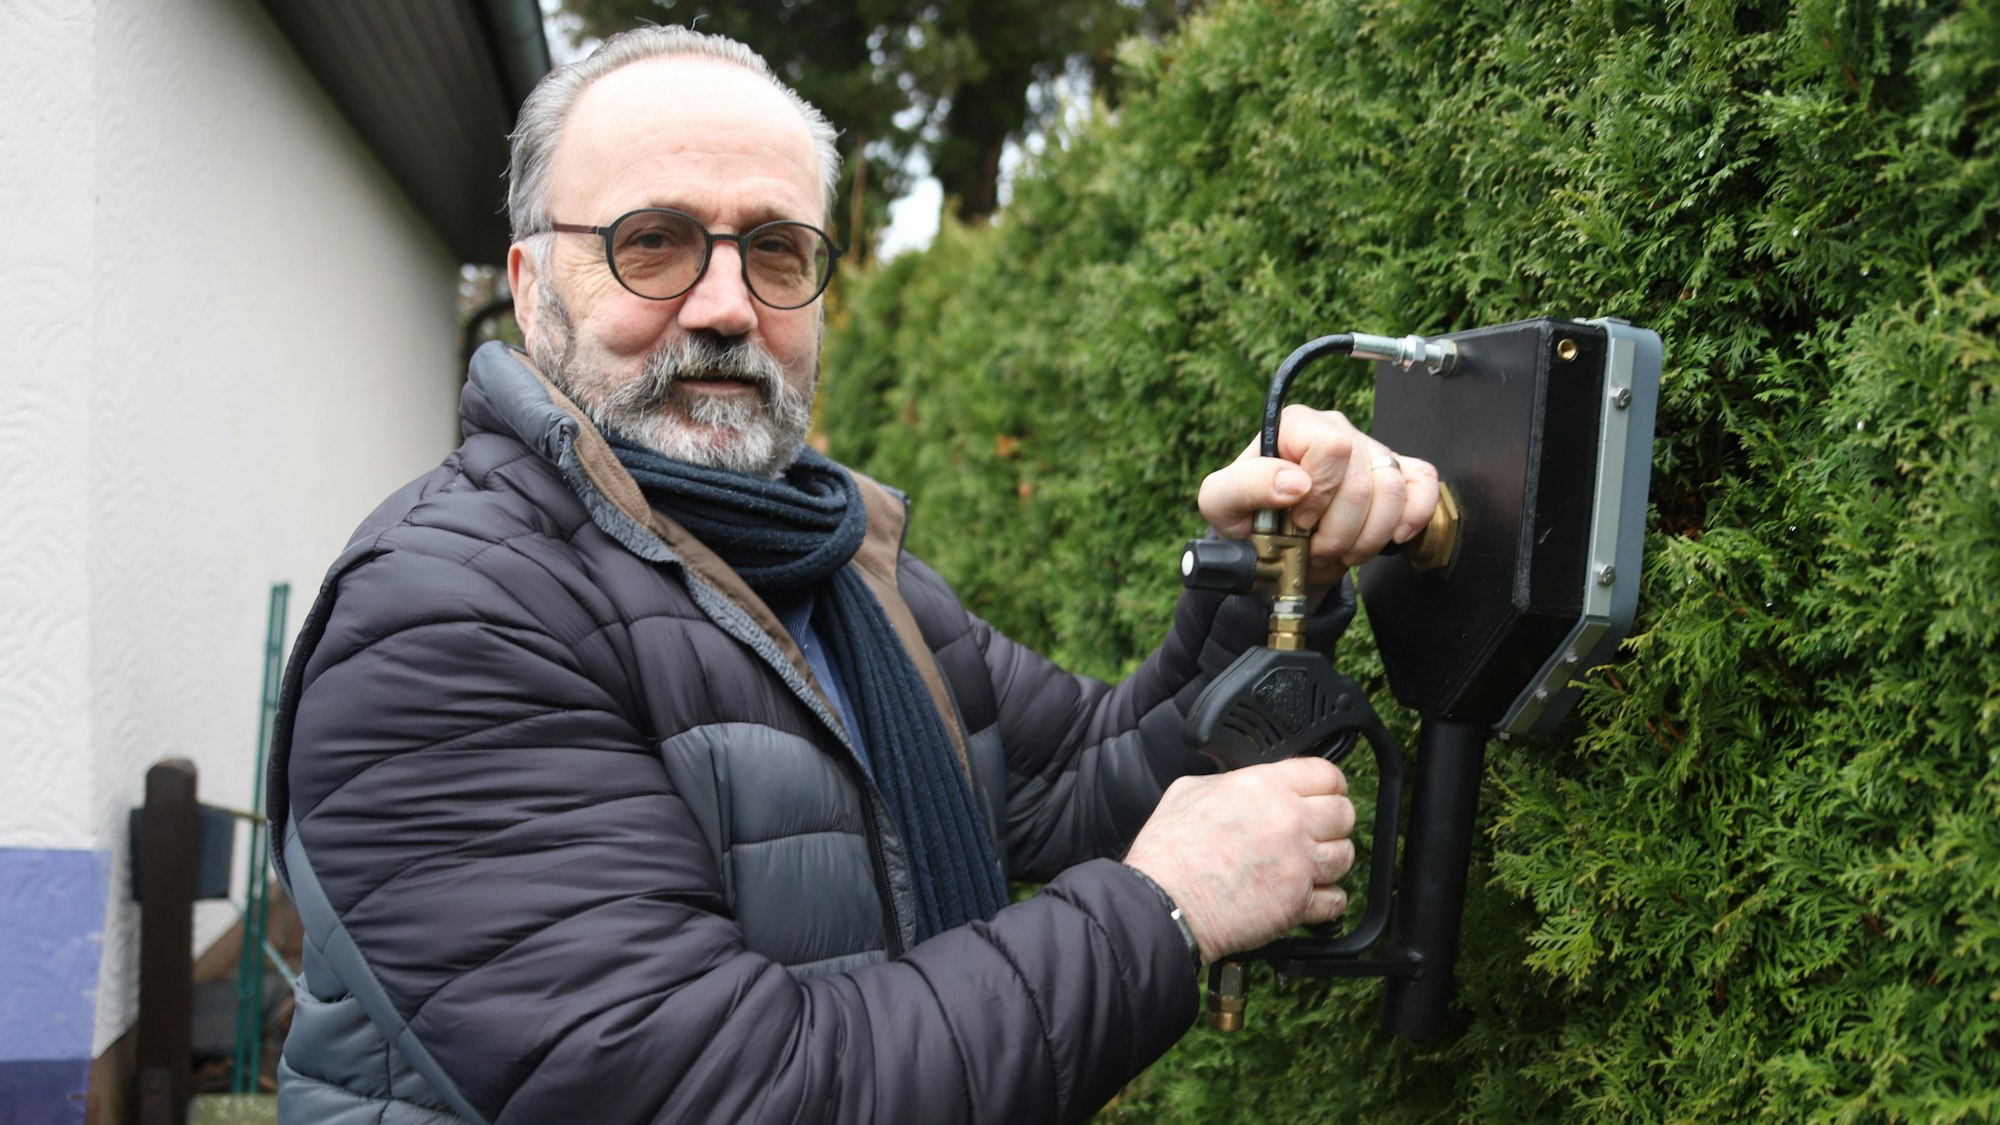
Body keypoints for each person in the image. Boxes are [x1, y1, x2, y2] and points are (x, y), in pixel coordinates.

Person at [268, 24, 1440, 1124]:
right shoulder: (445, 613)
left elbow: (1090, 784)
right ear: (530, 287)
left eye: (776, 249)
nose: (726, 306)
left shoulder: (841, 571)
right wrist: (1164, 911)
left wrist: (1268, 570)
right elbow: (732, 1093)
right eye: (653, 242)